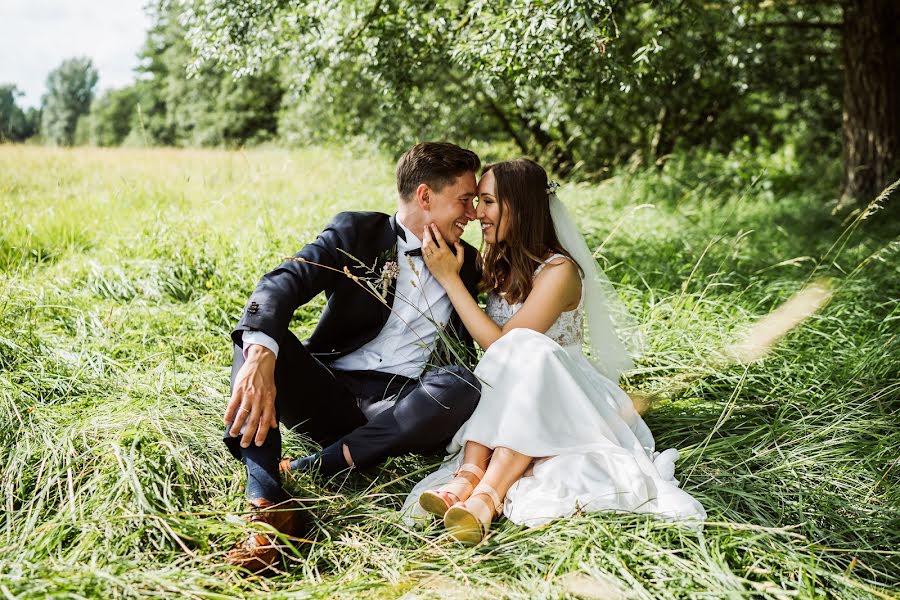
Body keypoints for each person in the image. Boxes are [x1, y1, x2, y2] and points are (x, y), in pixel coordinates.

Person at [402, 158, 706, 544]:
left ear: (521, 207)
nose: (478, 214)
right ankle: (470, 479)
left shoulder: (560, 271)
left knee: (531, 349)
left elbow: (504, 344)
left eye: (488, 202)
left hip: (567, 388)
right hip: (513, 390)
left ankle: (484, 494)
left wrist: (450, 280)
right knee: (520, 359)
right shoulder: (500, 260)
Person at [223, 142, 485, 571]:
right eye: (464, 200)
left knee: (461, 384)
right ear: (425, 196)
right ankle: (268, 503)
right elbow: (282, 282)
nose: (472, 213)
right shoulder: (356, 233)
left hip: (402, 409)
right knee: (254, 341)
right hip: (329, 393)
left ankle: (310, 467)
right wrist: (258, 358)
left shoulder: (469, 262)